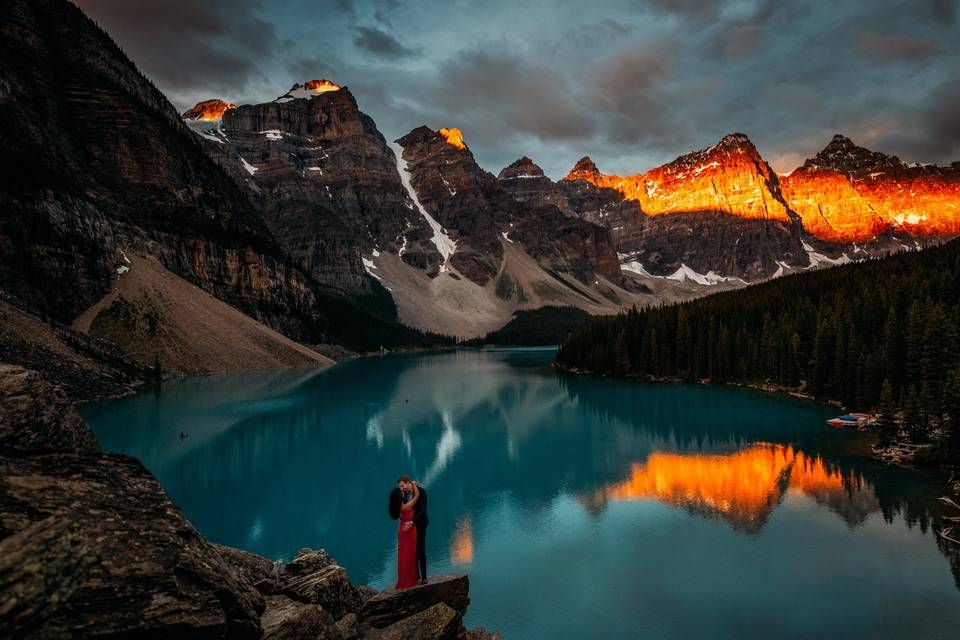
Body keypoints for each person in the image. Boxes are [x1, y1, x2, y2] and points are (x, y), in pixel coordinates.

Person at [397, 476, 429, 584]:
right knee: (412, 551)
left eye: (402, 486)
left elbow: (422, 511)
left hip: (419, 524)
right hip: (408, 526)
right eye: (400, 487)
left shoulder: (422, 492)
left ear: (408, 483)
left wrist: (412, 522)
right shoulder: (403, 495)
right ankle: (416, 577)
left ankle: (424, 577)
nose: (401, 488)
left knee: (420, 549)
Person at [388, 481, 419, 589]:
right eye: (401, 490)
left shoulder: (398, 506)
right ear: (398, 496)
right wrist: (414, 484)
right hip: (409, 532)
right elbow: (417, 496)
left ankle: (405, 579)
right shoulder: (404, 507)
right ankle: (408, 581)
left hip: (403, 530)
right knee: (409, 556)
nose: (403, 490)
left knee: (404, 556)